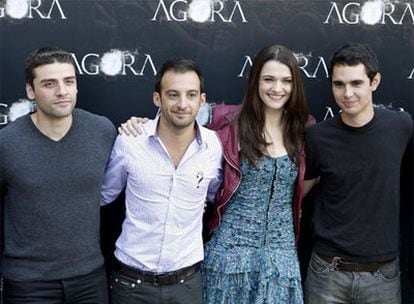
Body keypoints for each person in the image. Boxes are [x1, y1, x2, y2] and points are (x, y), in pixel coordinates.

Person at [121, 45, 314, 304]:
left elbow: (305, 182)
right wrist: (139, 124)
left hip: (281, 259)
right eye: (268, 79)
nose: (277, 88)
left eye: (286, 81)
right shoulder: (224, 120)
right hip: (229, 255)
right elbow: (175, 114)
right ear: (255, 80)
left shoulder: (304, 129)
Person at [100, 58, 223, 304]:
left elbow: (216, 197)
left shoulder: (214, 147)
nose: (182, 104)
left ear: (201, 100)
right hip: (131, 284)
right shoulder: (130, 141)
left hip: (186, 285)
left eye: (191, 95)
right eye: (173, 95)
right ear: (158, 99)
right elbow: (103, 195)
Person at [0, 47, 116, 303]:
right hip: (28, 285)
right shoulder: (6, 143)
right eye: (49, 84)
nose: (62, 91)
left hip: (89, 280)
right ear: (31, 91)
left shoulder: (102, 131)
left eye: (69, 81)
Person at [303, 43, 413, 304]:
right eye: (339, 84)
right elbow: (299, 194)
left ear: (374, 82)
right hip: (327, 272)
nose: (347, 93)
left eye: (356, 83)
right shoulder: (317, 136)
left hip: (383, 276)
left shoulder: (401, 127)